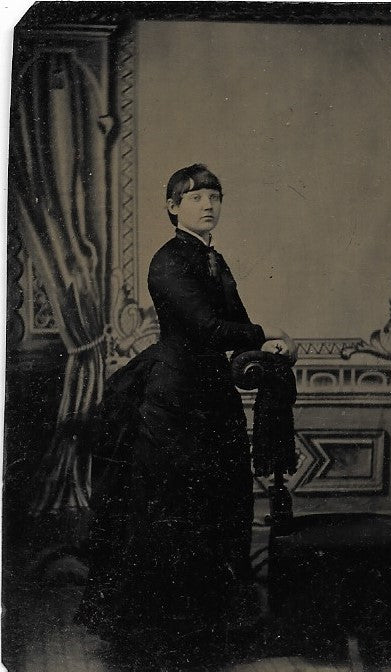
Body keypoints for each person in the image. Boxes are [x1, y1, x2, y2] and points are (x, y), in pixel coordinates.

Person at [77, 164, 297, 665]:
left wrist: (266, 340)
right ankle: (160, 638)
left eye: (215, 196)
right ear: (174, 207)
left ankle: (210, 629)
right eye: (196, 197)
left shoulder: (215, 261)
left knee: (221, 508)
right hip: (173, 402)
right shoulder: (168, 261)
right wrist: (266, 334)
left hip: (213, 398)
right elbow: (206, 328)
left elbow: (236, 322)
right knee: (172, 515)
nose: (208, 204)